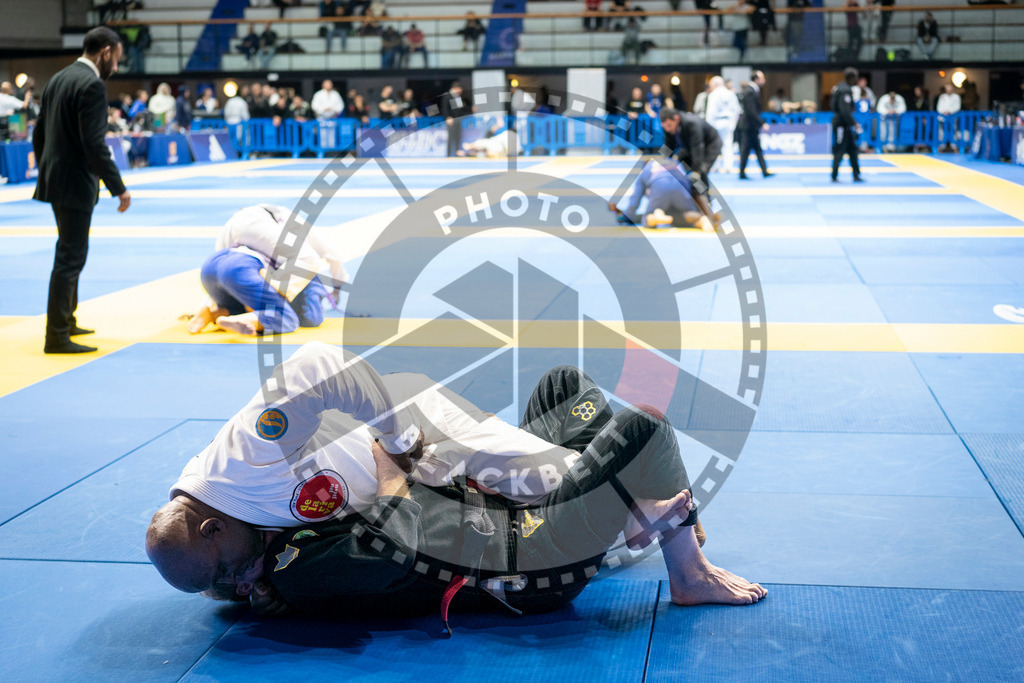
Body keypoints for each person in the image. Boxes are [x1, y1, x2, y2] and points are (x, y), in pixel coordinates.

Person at [147, 345, 765, 614]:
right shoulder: (252, 550)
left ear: (210, 525)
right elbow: (233, 577)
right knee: (604, 410)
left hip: (428, 440)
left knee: (564, 427)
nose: (232, 581)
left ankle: (629, 511)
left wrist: (397, 448)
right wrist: (244, 589)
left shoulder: (252, 453)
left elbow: (321, 365)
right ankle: (664, 543)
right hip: (490, 528)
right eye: (223, 585)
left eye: (224, 570)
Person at [32, 27, 130, 354]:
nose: (115, 66)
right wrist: (119, 188)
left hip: (56, 178)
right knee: (70, 257)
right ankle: (57, 335)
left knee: (71, 252)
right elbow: (94, 144)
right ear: (104, 52)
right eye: (115, 58)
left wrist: (47, 170)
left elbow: (39, 134)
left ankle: (68, 320)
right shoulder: (91, 85)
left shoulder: (58, 78)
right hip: (75, 182)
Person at [188, 204, 348, 336]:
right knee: (307, 262)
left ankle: (216, 310)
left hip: (228, 238)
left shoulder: (239, 228)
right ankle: (260, 312)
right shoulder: (287, 218)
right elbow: (327, 253)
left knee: (233, 280)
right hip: (255, 225)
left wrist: (211, 300)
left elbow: (224, 275)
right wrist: (338, 284)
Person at [617, 158, 708, 230]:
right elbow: (688, 180)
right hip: (681, 187)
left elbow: (635, 199)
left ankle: (655, 216)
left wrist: (628, 216)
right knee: (686, 213)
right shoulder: (673, 161)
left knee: (646, 218)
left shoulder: (647, 168)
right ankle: (702, 219)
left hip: (660, 186)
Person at [659, 107, 723, 204]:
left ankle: (706, 201)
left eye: (669, 126)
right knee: (683, 163)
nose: (668, 129)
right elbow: (668, 145)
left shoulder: (691, 123)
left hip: (710, 144)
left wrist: (696, 171)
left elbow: (698, 147)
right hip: (690, 145)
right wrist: (664, 162)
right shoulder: (667, 126)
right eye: (665, 127)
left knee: (700, 172)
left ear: (676, 118)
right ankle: (694, 194)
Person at [736, 70, 772, 180]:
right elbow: (751, 111)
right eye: (762, 78)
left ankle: (764, 171)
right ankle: (742, 172)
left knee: (757, 149)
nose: (764, 80)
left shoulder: (752, 90)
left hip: (751, 126)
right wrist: (761, 123)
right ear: (756, 79)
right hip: (748, 126)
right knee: (746, 150)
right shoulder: (749, 91)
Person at [831, 67, 863, 183]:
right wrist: (854, 123)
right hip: (841, 125)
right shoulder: (844, 90)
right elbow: (844, 111)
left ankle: (856, 174)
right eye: (856, 77)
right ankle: (834, 175)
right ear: (851, 78)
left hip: (845, 125)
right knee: (840, 149)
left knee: (853, 149)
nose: (857, 79)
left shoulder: (839, 87)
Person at [705, 76, 741, 173]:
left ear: (715, 85)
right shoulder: (730, 94)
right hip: (728, 122)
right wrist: (733, 123)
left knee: (714, 144)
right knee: (728, 144)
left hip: (715, 122)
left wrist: (708, 126)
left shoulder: (713, 95)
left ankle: (715, 165)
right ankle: (728, 166)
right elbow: (737, 110)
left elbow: (710, 112)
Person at [441, 81, 473, 157]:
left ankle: (457, 153)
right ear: (455, 88)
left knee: (458, 137)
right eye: (460, 89)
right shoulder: (447, 96)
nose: (461, 91)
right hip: (451, 120)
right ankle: (448, 155)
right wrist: (447, 117)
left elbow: (460, 109)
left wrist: (470, 110)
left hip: (458, 120)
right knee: (451, 137)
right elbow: (444, 108)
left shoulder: (458, 97)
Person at [936, 83, 961, 151]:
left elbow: (957, 107)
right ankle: (941, 146)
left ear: (952, 88)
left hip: (953, 117)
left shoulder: (956, 96)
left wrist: (949, 111)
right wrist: (943, 112)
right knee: (941, 131)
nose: (948, 89)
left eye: (949, 88)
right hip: (943, 117)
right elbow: (939, 107)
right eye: (947, 88)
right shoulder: (942, 96)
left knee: (954, 130)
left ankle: (954, 146)